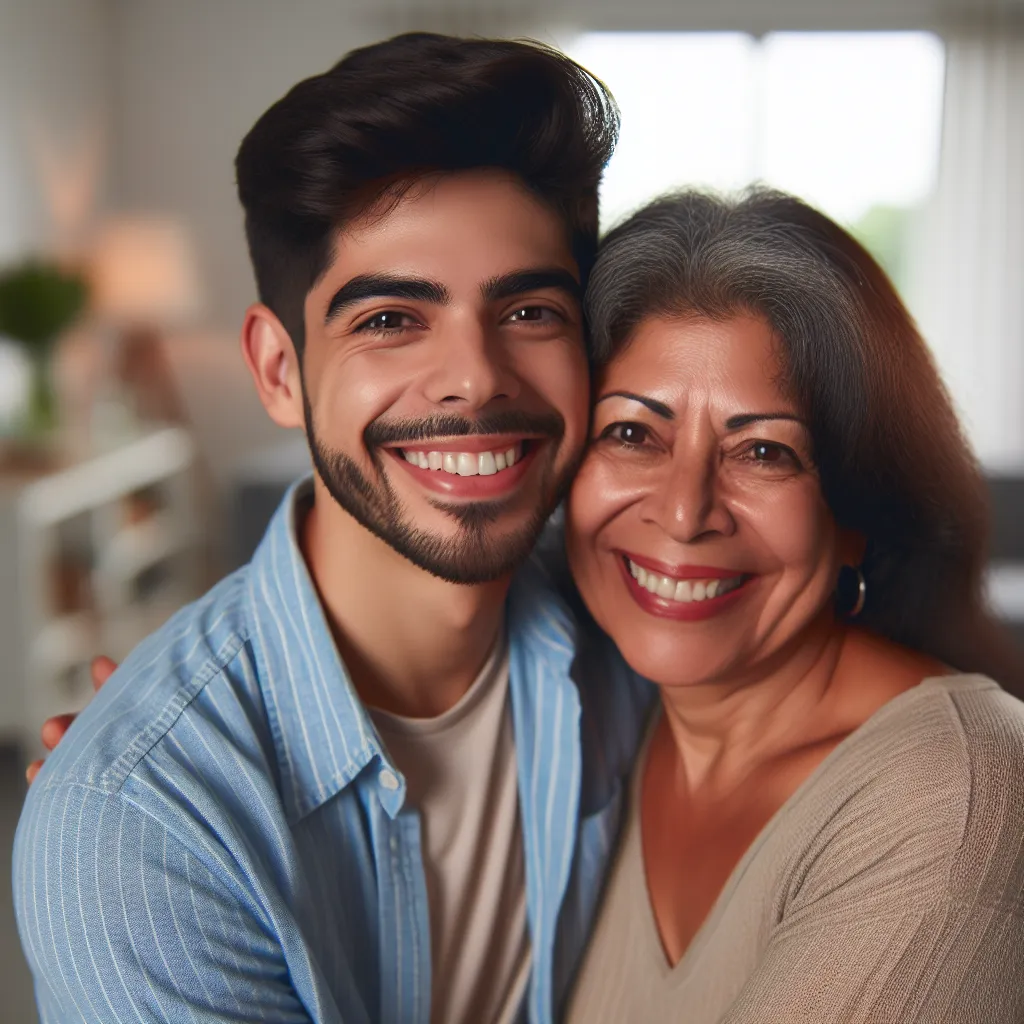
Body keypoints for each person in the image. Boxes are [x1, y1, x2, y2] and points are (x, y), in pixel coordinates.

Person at [14, 33, 653, 1024]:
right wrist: (144, 756)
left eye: (529, 310)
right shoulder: (140, 820)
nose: (476, 376)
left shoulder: (638, 644)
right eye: (391, 319)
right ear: (279, 371)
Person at [562, 189, 1024, 1022]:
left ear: (857, 517)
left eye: (765, 452)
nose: (683, 509)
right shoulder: (591, 724)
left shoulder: (957, 799)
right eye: (632, 433)